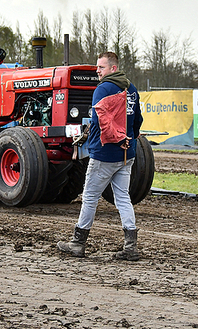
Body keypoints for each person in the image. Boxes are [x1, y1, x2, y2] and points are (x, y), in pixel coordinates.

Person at [57, 51, 143, 261]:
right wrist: (129, 138)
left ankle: (78, 243)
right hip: (127, 152)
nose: (97, 70)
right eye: (97, 67)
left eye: (101, 67)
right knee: (123, 197)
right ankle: (130, 246)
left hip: (105, 153)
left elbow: (98, 121)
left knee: (89, 198)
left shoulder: (103, 89)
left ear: (113, 68)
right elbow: (138, 119)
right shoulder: (131, 88)